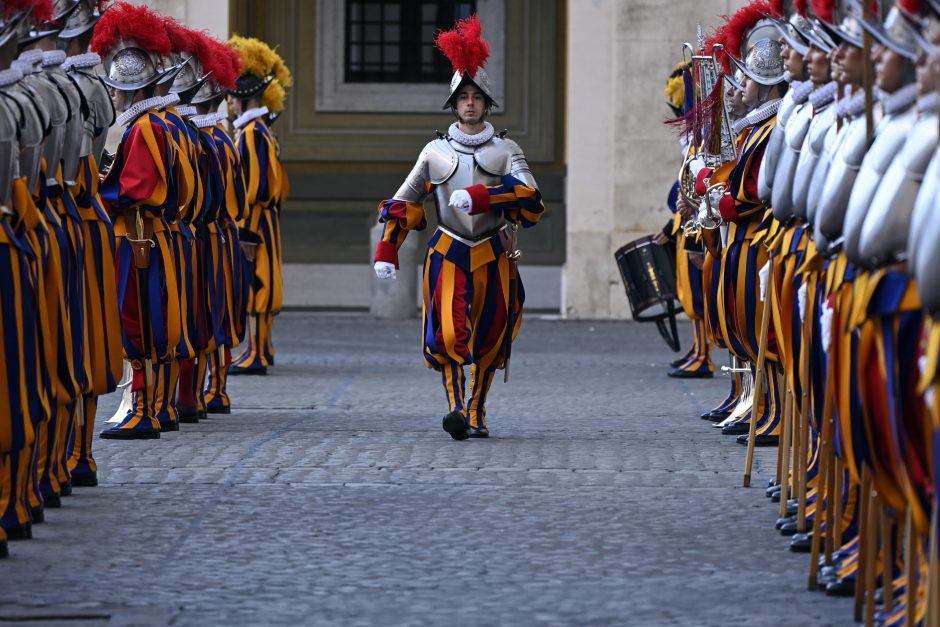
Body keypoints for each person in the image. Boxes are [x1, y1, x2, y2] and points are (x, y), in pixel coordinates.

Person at [373, 15, 544, 440]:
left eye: (476, 97)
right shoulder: (433, 152)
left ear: (487, 104)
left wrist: (486, 197)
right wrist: (387, 250)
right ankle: (455, 407)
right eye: (463, 97)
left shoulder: (507, 150)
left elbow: (533, 202)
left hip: (493, 251)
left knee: (491, 334)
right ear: (454, 105)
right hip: (447, 250)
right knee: (448, 332)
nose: (470, 103)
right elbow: (402, 202)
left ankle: (477, 408)